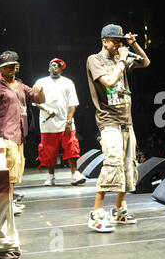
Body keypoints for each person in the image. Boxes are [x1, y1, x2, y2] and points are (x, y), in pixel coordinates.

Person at [86, 24, 150, 232]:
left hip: (126, 121)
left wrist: (134, 44)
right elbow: (110, 83)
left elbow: (146, 62)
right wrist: (122, 60)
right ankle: (96, 214)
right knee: (112, 164)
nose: (119, 46)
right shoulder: (94, 60)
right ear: (105, 41)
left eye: (122, 42)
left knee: (128, 167)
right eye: (116, 42)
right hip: (108, 121)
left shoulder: (119, 59)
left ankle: (119, 210)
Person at [0, 51, 45, 217]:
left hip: (20, 134)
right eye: (7, 66)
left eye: (13, 65)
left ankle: (10, 202)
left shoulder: (20, 85)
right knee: (10, 172)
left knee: (16, 171)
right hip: (6, 134)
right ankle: (8, 204)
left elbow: (39, 99)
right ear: (1, 69)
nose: (11, 68)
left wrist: (40, 90)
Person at [34, 58, 86, 186]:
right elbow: (35, 101)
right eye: (52, 65)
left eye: (57, 66)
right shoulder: (41, 82)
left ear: (61, 69)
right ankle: (51, 176)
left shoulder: (68, 83)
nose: (54, 67)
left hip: (65, 122)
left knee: (71, 147)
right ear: (48, 68)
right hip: (48, 124)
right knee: (48, 151)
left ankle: (75, 174)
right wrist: (47, 108)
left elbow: (73, 103)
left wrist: (69, 121)